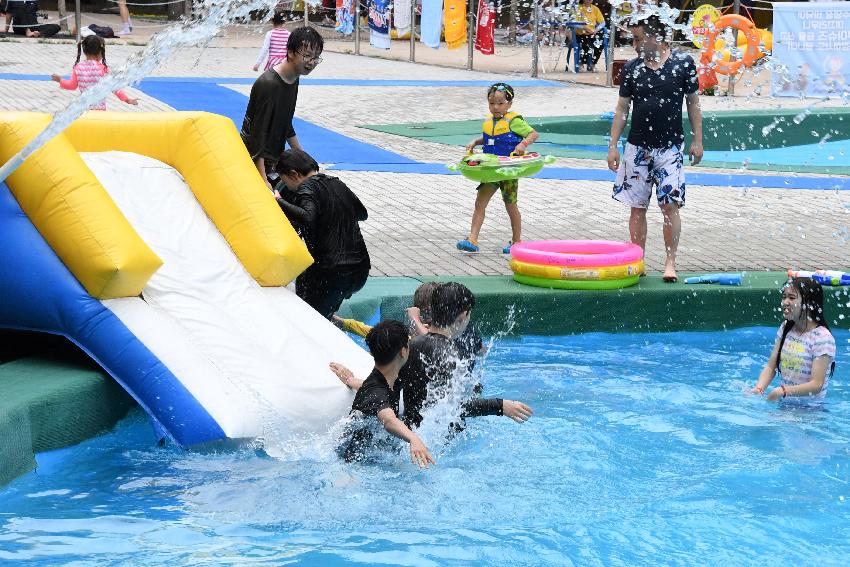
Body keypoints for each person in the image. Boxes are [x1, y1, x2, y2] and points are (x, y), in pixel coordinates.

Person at [606, 15, 703, 283]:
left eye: (638, 38)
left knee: (670, 206)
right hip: (637, 148)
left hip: (670, 148)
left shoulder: (683, 64)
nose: (634, 44)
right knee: (637, 207)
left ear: (655, 38)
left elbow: (693, 104)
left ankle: (670, 262)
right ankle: (639, 259)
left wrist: (697, 140)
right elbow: (622, 109)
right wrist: (613, 145)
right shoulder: (632, 69)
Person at [400, 282, 533, 429]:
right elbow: (456, 406)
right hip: (438, 441)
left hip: (409, 430)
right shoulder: (450, 356)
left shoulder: (410, 345)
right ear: (463, 316)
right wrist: (501, 406)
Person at [275, 148, 371, 320]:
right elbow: (362, 213)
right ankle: (328, 317)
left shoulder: (307, 188)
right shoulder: (337, 183)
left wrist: (278, 201)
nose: (287, 187)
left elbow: (307, 217)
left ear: (294, 174)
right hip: (360, 271)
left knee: (309, 317)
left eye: (285, 181)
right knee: (306, 281)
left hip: (332, 272)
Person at [332, 320, 436, 468]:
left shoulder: (389, 377)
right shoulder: (376, 390)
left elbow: (369, 389)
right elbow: (388, 420)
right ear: (403, 351)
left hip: (374, 451)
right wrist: (414, 438)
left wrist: (350, 379)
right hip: (353, 461)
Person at [457, 83, 539, 255]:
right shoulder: (489, 121)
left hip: (508, 170)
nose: (495, 107)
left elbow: (533, 134)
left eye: (500, 103)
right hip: (490, 170)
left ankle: (517, 241)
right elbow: (490, 138)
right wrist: (476, 141)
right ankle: (472, 239)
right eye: (492, 103)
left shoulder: (514, 121)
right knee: (480, 202)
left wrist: (523, 144)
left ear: (509, 104)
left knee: (510, 205)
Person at [241, 26, 323, 188]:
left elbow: (286, 122)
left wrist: (304, 159)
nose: (312, 62)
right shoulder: (268, 84)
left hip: (274, 161)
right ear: (290, 52)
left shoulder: (294, 77)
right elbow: (257, 136)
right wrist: (263, 179)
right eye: (307, 56)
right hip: (253, 162)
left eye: (316, 57)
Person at [751, 277, 836, 402]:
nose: (785, 302)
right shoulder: (786, 328)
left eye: (791, 298)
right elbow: (771, 367)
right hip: (785, 405)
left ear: (809, 303)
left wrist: (782, 391)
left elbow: (816, 385)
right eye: (784, 297)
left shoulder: (822, 338)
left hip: (810, 412)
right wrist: (758, 389)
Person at [51, 34, 139, 110]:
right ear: (100, 52)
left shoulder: (78, 68)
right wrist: (127, 99)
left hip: (82, 110)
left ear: (84, 51)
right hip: (99, 110)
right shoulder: (103, 69)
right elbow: (114, 88)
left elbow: (72, 86)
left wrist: (60, 80)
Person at [574, 0, 606, 72]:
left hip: (592, 33)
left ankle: (593, 64)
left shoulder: (595, 9)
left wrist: (596, 30)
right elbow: (573, 22)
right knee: (586, 43)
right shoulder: (578, 8)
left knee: (600, 43)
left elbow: (603, 23)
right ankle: (581, 63)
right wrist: (584, 28)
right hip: (580, 34)